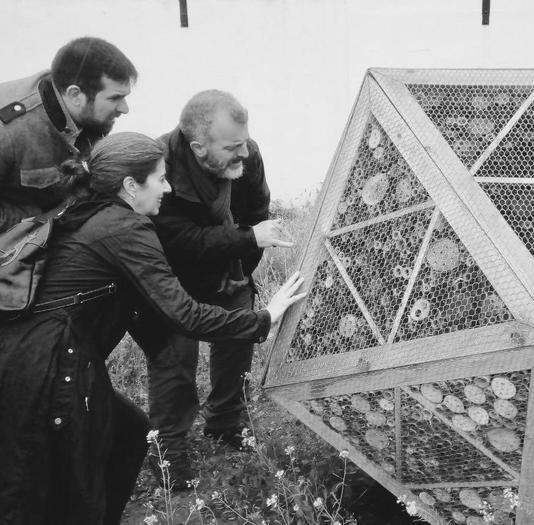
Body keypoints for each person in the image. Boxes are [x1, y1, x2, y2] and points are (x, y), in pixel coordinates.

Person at [0, 132, 305, 525]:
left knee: (129, 433)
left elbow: (149, 306)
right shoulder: (123, 227)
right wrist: (264, 317)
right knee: (63, 490)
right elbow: (185, 315)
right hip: (47, 366)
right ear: (131, 185)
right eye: (160, 179)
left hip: (31, 354)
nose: (168, 188)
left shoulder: (90, 209)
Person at [137, 90, 292, 485]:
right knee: (175, 360)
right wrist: (244, 240)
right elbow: (177, 240)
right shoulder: (157, 163)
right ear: (198, 147)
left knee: (238, 339)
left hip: (227, 264)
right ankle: (170, 455)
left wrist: (238, 271)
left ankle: (225, 422)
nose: (244, 153)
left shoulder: (246, 154)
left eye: (245, 141)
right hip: (171, 275)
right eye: (231, 147)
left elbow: (257, 213)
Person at [0, 36, 136, 232]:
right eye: (115, 98)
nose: (125, 108)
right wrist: (41, 218)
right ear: (75, 94)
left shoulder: (89, 112)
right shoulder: (9, 132)